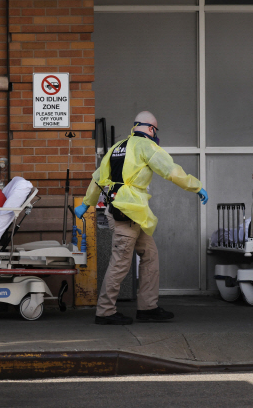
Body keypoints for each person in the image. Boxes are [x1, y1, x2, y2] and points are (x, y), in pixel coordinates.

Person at [75, 111, 208, 325]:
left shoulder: (116, 148)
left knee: (150, 255)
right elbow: (171, 170)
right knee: (120, 263)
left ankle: (148, 307)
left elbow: (98, 177)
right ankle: (105, 311)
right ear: (151, 129)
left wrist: (85, 203)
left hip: (128, 214)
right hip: (127, 213)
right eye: (156, 130)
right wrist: (197, 186)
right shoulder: (147, 147)